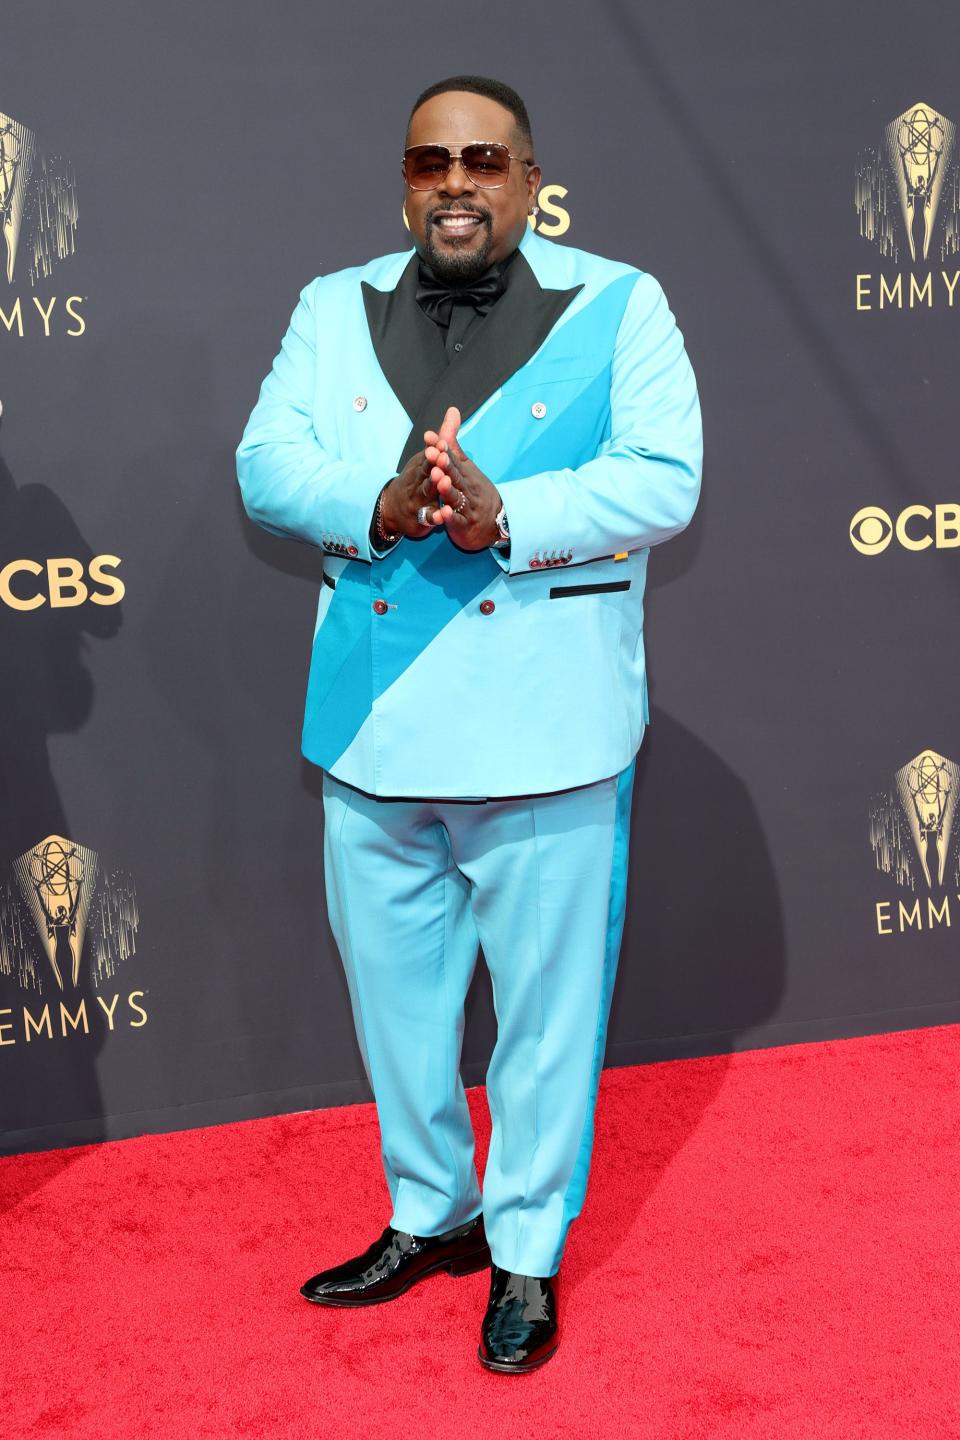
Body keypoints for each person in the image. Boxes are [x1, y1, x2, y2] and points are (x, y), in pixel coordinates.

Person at [237, 74, 702, 1374]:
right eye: (431, 161)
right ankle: (431, 1212)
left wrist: (517, 516)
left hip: (550, 730)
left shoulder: (620, 302)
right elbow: (265, 464)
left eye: (484, 160)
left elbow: (665, 475)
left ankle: (530, 1256)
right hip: (370, 727)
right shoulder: (334, 307)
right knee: (397, 1009)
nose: (455, 182)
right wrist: (377, 503)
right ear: (404, 180)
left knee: (549, 1016)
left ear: (531, 176)